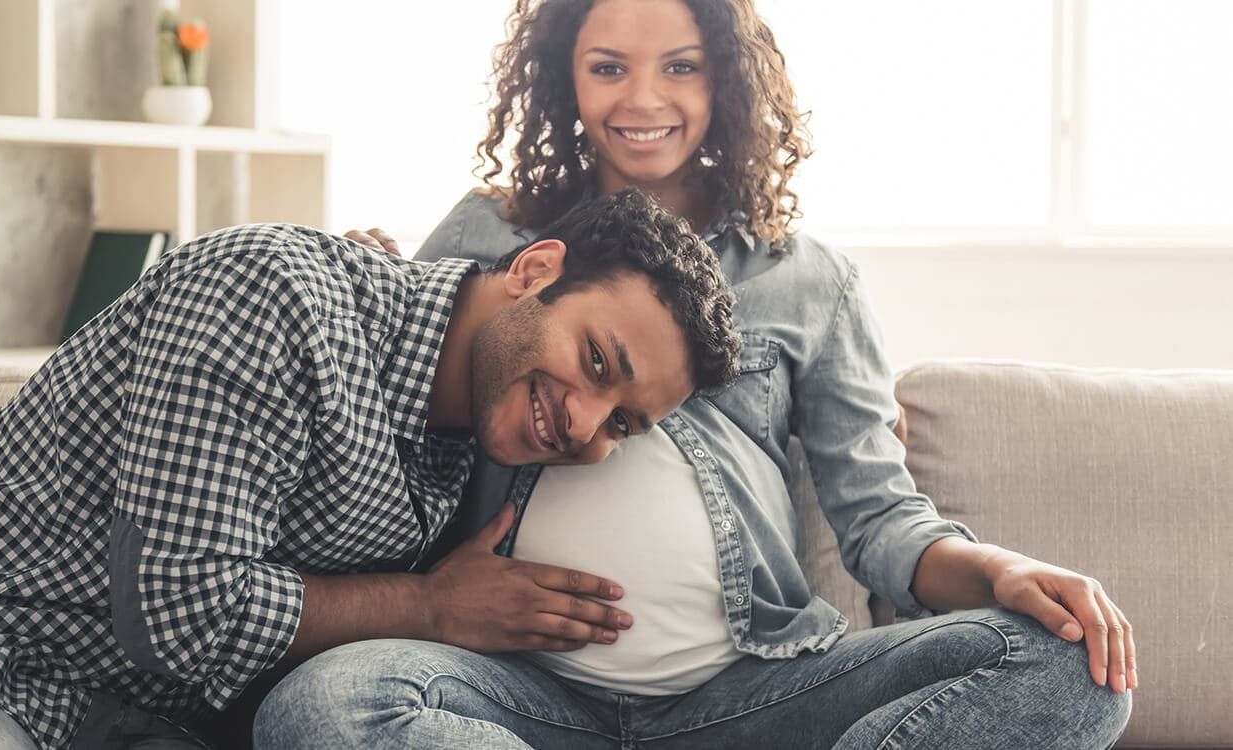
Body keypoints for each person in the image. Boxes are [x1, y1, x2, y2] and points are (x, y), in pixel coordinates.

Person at [262, 0, 1135, 747]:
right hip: (509, 692)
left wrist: (997, 572)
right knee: (325, 705)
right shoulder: (493, 234)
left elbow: (876, 521)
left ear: (725, 79)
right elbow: (401, 394)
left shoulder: (810, 280)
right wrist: (356, 277)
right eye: (609, 67)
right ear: (565, 77)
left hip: (752, 697)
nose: (644, 100)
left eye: (680, 67)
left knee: (1067, 663)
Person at [0, 189, 741, 750]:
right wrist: (433, 606)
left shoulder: (461, 448)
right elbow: (181, 606)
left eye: (627, 423)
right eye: (598, 363)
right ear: (533, 271)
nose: (586, 424)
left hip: (136, 726)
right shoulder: (272, 293)